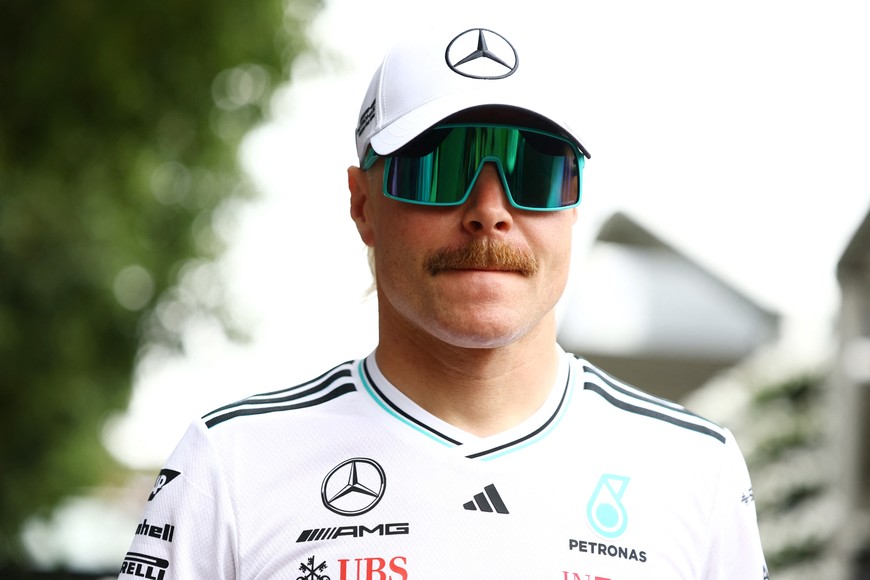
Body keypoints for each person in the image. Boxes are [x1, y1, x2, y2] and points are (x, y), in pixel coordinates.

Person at [118, 25, 768, 579]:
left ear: (573, 206)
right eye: (439, 168)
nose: (489, 212)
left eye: (536, 171)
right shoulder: (229, 463)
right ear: (362, 205)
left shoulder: (696, 470)